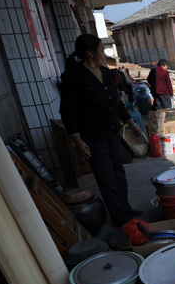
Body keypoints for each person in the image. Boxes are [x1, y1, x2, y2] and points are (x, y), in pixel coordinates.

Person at [60, 34, 144, 227]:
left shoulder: (105, 72)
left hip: (111, 131)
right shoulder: (74, 76)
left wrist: (132, 123)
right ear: (90, 53)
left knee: (119, 173)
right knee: (107, 178)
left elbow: (116, 102)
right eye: (101, 50)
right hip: (92, 137)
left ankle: (124, 209)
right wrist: (77, 139)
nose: (104, 54)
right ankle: (121, 219)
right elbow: (67, 110)